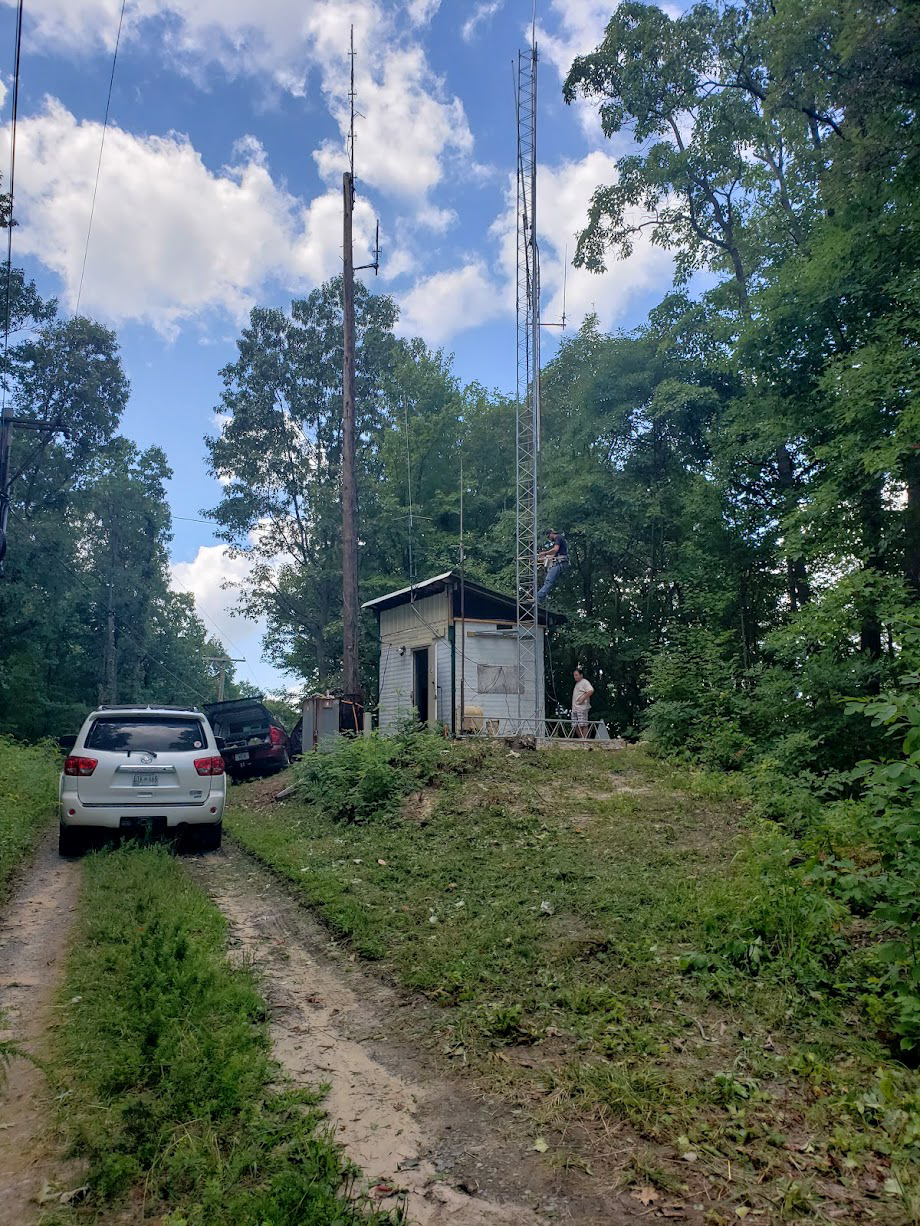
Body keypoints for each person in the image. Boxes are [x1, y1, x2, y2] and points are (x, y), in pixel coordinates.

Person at [537, 528, 568, 602]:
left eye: (548, 537)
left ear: (551, 534)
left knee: (548, 581)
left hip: (560, 562)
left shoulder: (558, 537)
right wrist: (540, 559)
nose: (549, 539)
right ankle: (540, 599)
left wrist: (544, 553)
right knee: (549, 581)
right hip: (561, 562)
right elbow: (553, 555)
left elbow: (555, 549)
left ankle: (538, 598)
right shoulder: (559, 539)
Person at [571, 667, 594, 738]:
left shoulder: (585, 682)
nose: (575, 677)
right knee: (574, 725)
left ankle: (584, 739)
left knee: (583, 724)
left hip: (582, 707)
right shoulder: (577, 683)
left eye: (576, 675)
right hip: (575, 707)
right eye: (574, 675)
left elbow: (591, 690)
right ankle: (582, 739)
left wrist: (583, 699)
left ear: (581, 675)